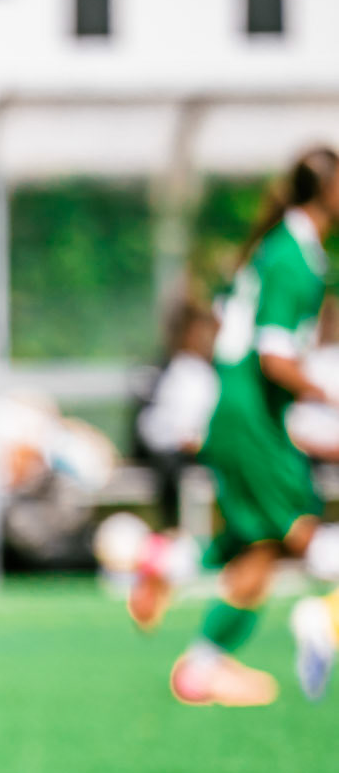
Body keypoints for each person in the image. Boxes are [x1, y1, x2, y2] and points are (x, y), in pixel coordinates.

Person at [129, 147, 339, 706]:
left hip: (241, 414)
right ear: (328, 192)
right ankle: (324, 621)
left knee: (257, 548)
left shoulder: (282, 249)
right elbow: (274, 357)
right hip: (252, 421)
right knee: (304, 536)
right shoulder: (294, 256)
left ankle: (198, 659)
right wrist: (330, 394)